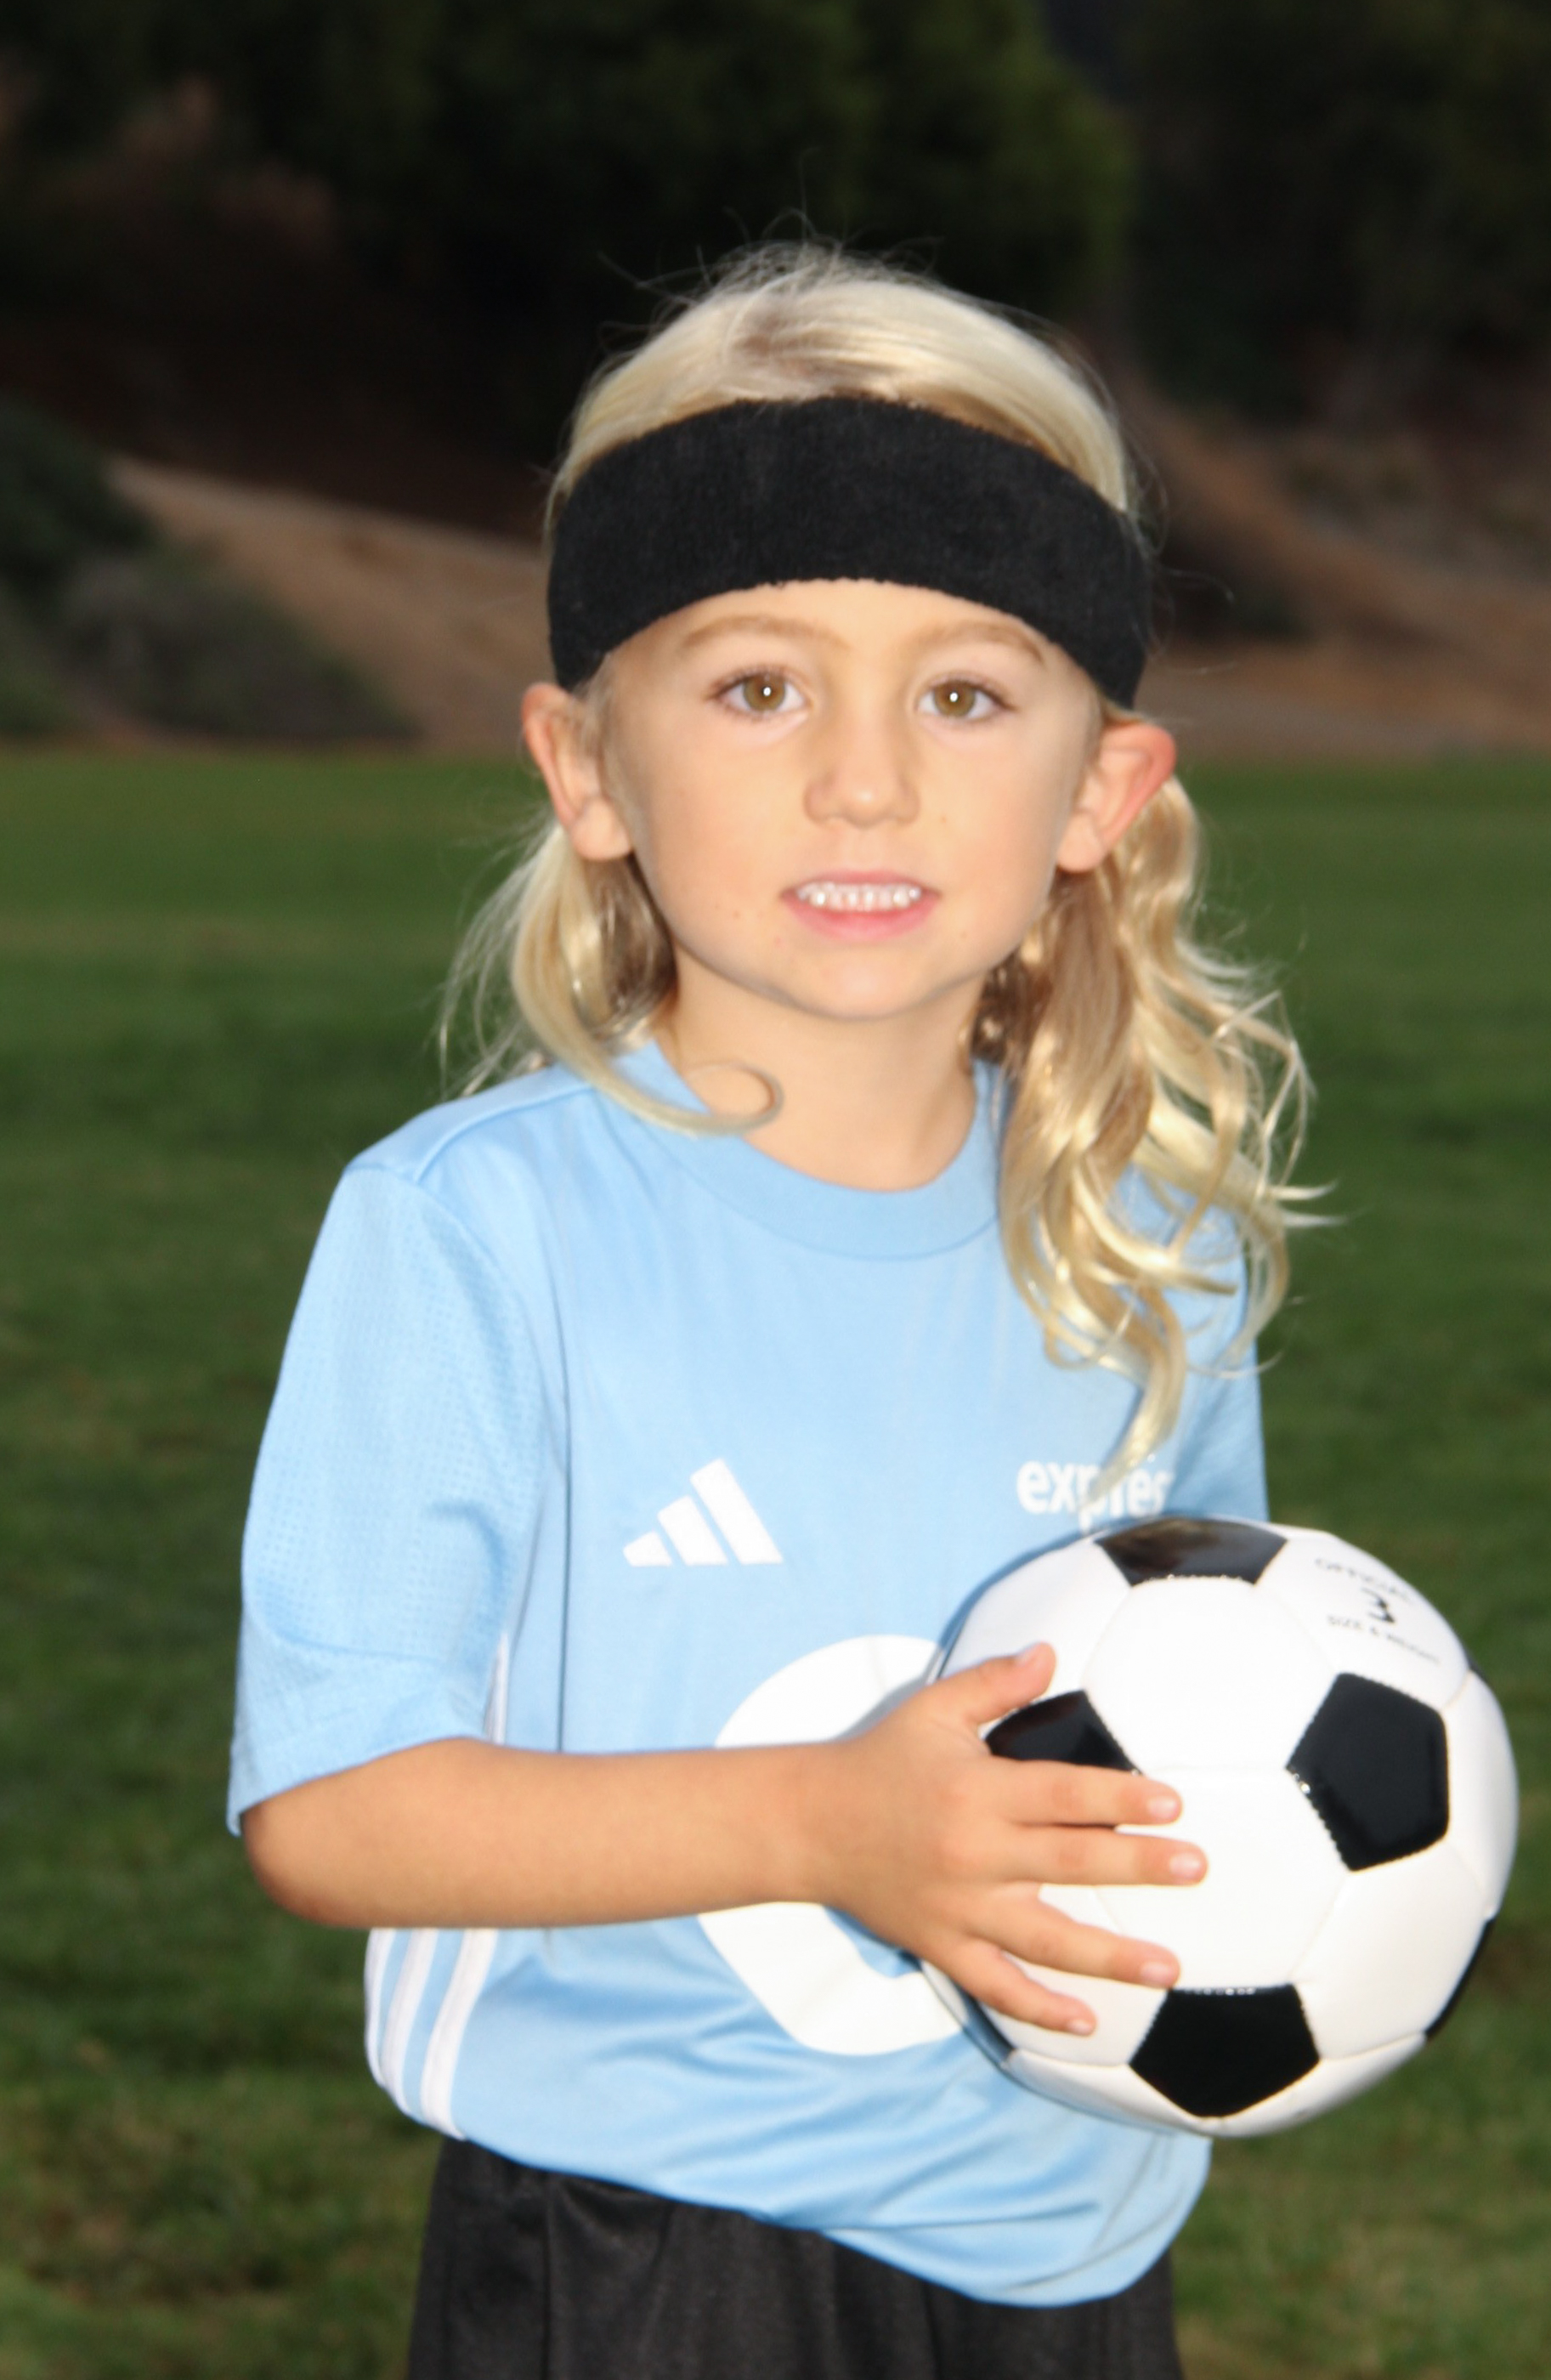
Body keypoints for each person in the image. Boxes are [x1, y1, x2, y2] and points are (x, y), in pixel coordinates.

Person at [230, 245, 1305, 2380]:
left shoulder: (1150, 1244)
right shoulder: (477, 1231)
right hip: (646, 2252)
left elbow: (1220, 1720)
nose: (864, 781)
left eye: (964, 694)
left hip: (1071, 2243)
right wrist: (830, 1822)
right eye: (757, 688)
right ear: (586, 765)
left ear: (1101, 788)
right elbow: (333, 1810)